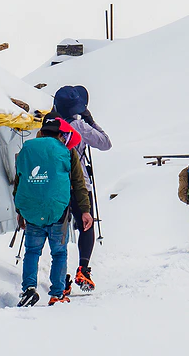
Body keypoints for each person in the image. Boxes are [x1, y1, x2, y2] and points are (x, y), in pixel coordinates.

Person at [14, 118, 92, 307]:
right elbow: (78, 182)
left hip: (32, 210)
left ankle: (29, 289)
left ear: (42, 132)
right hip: (58, 210)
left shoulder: (27, 149)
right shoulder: (67, 151)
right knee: (59, 253)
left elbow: (20, 180)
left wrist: (20, 210)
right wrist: (85, 210)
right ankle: (57, 294)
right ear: (60, 134)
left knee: (32, 252)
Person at [52, 85, 112, 293]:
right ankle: (83, 269)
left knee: (58, 229)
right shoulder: (79, 126)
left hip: (55, 184)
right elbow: (105, 143)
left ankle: (60, 278)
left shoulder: (49, 124)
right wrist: (91, 121)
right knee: (86, 225)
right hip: (80, 185)